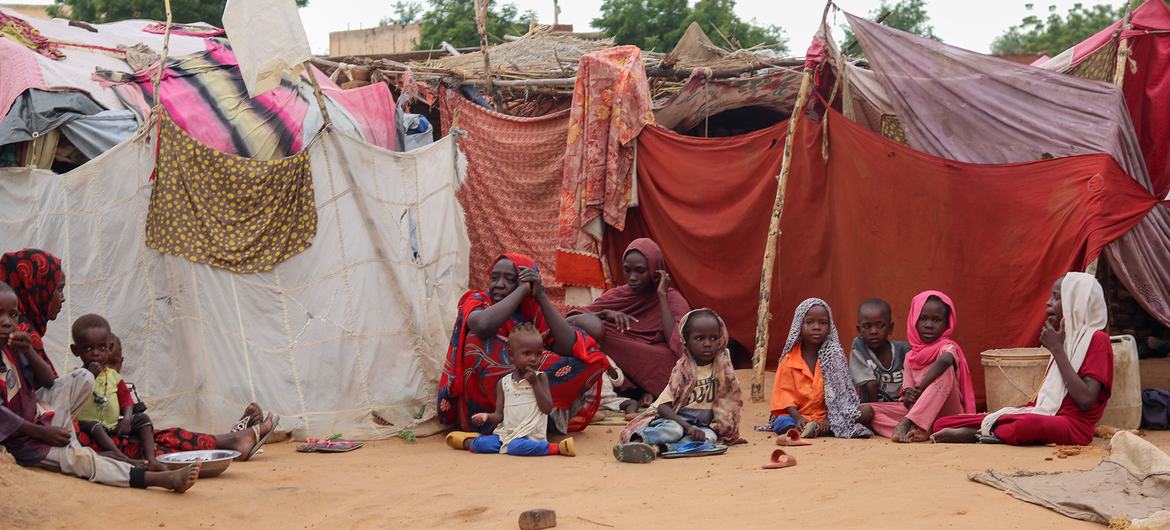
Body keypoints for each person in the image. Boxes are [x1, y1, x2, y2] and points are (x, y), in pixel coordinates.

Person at [0, 282, 201, 492]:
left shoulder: (11, 347)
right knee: (84, 460)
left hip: (39, 418)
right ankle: (159, 479)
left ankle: (70, 446)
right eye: (0, 314)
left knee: (84, 376)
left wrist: (29, 352)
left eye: (13, 315)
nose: (7, 323)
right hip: (21, 440)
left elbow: (49, 382)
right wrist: (42, 433)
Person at [69, 314, 278, 464]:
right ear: (77, 352)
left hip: (124, 432)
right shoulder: (75, 379)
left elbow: (134, 413)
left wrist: (127, 418)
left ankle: (235, 440)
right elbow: (73, 411)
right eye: (89, 349)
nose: (98, 357)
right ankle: (234, 440)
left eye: (103, 351)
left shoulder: (114, 379)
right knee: (166, 445)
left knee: (168, 435)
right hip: (101, 439)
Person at [933, 273, 1113, 445]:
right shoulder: (1067, 339)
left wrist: (1057, 349)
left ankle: (976, 434)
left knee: (1027, 425)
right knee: (945, 422)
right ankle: (991, 429)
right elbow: (1045, 401)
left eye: (1057, 297)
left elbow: (1086, 400)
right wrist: (1007, 412)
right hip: (1045, 415)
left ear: (1076, 303)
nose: (1048, 303)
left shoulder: (1098, 340)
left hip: (1074, 426)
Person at [438, 254, 609, 434]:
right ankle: (493, 418)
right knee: (475, 341)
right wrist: (521, 290)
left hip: (529, 384)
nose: (499, 284)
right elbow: (482, 326)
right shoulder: (476, 299)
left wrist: (540, 296)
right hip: (486, 393)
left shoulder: (531, 309)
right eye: (494, 278)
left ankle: (536, 417)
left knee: (588, 358)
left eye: (509, 279)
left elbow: (569, 345)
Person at [613, 309, 743, 463]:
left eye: (713, 338)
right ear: (686, 341)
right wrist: (687, 427)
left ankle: (660, 449)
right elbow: (663, 407)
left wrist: (729, 433)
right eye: (699, 338)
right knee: (674, 431)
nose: (708, 344)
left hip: (699, 426)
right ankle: (637, 441)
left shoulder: (723, 369)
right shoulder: (682, 370)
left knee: (710, 437)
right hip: (673, 420)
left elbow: (728, 401)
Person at [568, 238, 690, 402]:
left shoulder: (672, 298)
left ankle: (642, 391)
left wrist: (662, 295)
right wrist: (604, 314)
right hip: (619, 362)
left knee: (672, 360)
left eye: (640, 271)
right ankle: (633, 390)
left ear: (656, 270)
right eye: (627, 270)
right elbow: (570, 321)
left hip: (649, 356)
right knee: (591, 330)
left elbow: (677, 342)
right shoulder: (618, 295)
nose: (632, 277)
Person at [859, 291, 976, 442]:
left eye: (936, 320)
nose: (928, 325)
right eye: (923, 319)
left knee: (945, 371)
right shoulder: (910, 356)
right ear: (914, 320)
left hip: (947, 411)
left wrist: (921, 387)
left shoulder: (947, 348)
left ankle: (907, 424)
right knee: (868, 411)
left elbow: (946, 361)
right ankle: (923, 429)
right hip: (919, 413)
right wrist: (908, 395)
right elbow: (908, 401)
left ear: (947, 324)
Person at [445, 323, 576, 457]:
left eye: (538, 354)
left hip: (530, 437)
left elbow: (547, 408)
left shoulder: (541, 378)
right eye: (527, 353)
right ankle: (470, 441)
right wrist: (486, 416)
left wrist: (535, 383)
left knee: (517, 447)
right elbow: (499, 415)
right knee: (483, 445)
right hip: (506, 434)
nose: (533, 359)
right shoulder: (504, 383)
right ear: (511, 354)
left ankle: (556, 448)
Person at [769, 299, 871, 439]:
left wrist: (828, 420)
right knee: (782, 422)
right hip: (796, 416)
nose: (816, 327)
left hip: (829, 415)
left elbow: (842, 396)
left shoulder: (835, 355)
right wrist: (798, 418)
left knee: (866, 411)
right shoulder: (789, 359)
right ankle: (803, 428)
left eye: (823, 323)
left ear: (830, 327)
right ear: (799, 324)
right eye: (809, 322)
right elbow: (784, 396)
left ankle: (821, 428)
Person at [0, 248, 65, 377]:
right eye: (59, 288)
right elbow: (50, 383)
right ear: (37, 288)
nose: (63, 298)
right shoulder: (23, 333)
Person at [850, 299, 910, 403]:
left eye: (880, 325)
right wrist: (877, 411)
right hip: (872, 407)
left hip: (901, 406)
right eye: (866, 326)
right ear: (859, 330)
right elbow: (871, 384)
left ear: (890, 328)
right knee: (865, 412)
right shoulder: (859, 347)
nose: (873, 331)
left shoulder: (904, 350)